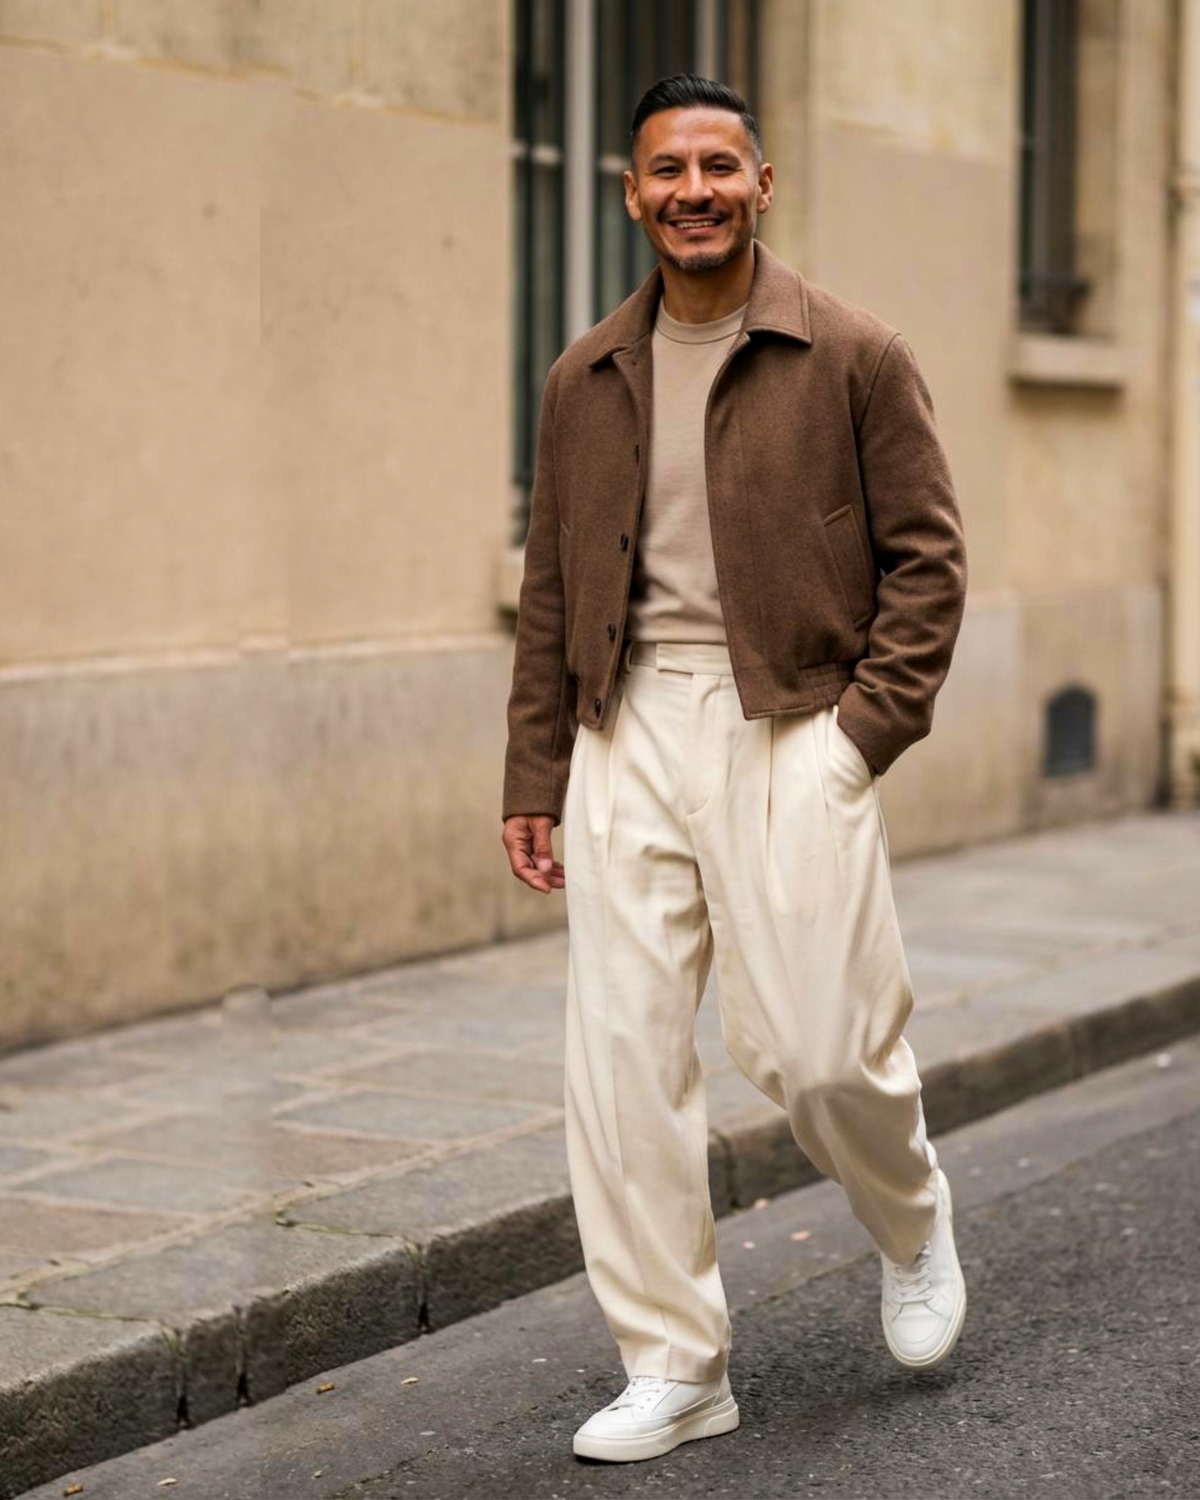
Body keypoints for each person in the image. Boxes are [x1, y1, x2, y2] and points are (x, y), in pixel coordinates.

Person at [500, 73, 969, 1465]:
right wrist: (535, 769)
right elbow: (548, 588)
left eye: (718, 166)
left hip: (793, 719)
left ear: (763, 184)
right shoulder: (586, 376)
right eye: (667, 170)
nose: (692, 191)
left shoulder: (853, 354)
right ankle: (675, 1363)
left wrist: (859, 741)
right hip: (624, 723)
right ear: (630, 194)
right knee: (622, 1057)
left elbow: (929, 566)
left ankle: (911, 1217)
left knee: (816, 1050)